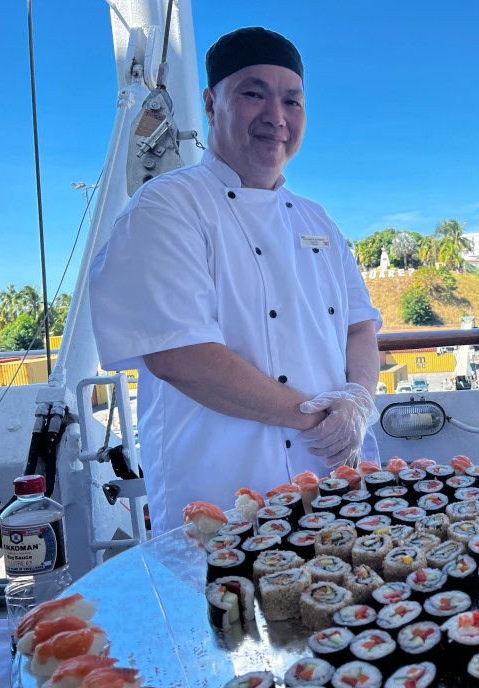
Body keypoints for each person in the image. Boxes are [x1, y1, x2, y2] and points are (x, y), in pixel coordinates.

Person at [90, 27, 382, 536]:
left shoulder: (316, 219)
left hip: (331, 485)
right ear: (211, 103)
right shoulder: (166, 206)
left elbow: (360, 328)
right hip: (218, 493)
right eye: (253, 93)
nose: (276, 116)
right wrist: (319, 420)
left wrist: (357, 401)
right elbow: (180, 356)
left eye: (291, 100)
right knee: (219, 588)